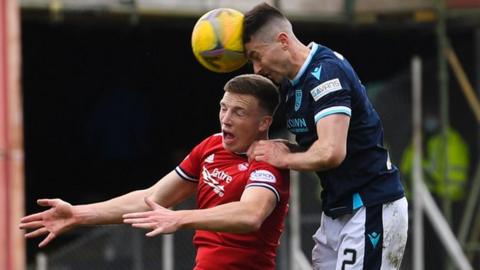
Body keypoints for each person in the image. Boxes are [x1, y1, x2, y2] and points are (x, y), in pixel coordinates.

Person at [19, 74, 290, 270]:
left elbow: (250, 214)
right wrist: (78, 214)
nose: (226, 118)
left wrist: (181, 218)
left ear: (263, 123)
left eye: (239, 112)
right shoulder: (211, 146)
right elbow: (151, 198)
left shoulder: (270, 161)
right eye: (223, 107)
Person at [243, 3, 408, 270]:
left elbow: (331, 151)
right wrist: (281, 148)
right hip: (337, 211)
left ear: (283, 41)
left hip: (371, 207)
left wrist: (283, 156)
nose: (256, 68)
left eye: (257, 56)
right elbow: (316, 147)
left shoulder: (327, 73)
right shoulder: (290, 85)